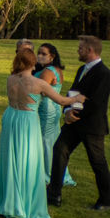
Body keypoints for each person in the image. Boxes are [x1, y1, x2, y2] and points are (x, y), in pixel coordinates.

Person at [0, 49, 78, 218]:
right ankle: (23, 202)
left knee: (11, 158)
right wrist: (78, 98)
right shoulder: (38, 83)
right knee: (27, 160)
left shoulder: (10, 79)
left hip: (10, 117)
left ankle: (9, 199)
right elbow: (61, 100)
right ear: (32, 63)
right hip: (27, 121)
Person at [49, 35, 110, 212]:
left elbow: (96, 103)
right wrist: (67, 111)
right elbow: (73, 93)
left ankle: (106, 201)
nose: (78, 50)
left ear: (90, 50)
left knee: (97, 161)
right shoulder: (82, 69)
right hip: (73, 122)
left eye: (80, 48)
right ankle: (54, 194)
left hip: (92, 126)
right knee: (60, 149)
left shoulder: (103, 73)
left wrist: (74, 114)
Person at [33, 44, 74, 187]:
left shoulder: (48, 71)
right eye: (38, 53)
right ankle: (57, 172)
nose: (39, 56)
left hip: (46, 108)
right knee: (51, 140)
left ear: (52, 56)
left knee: (45, 140)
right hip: (54, 108)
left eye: (43, 54)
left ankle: (47, 173)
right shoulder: (55, 70)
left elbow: (39, 90)